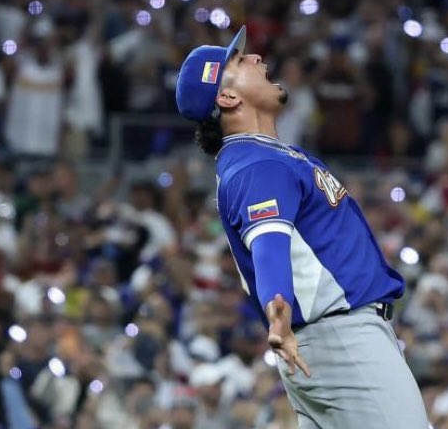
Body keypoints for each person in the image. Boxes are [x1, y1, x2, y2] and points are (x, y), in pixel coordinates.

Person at [175, 26, 430, 428]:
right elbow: (268, 244)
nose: (256, 58)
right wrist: (278, 311)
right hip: (339, 339)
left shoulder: (266, 155)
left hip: (330, 340)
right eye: (239, 61)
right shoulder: (257, 164)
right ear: (227, 98)